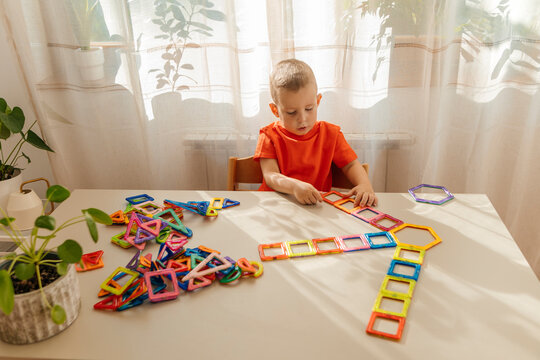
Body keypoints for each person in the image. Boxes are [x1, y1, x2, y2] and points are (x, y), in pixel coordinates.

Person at [253, 58, 378, 207]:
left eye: (309, 109)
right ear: (275, 110)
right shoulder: (268, 135)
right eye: (292, 112)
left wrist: (365, 185)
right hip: (275, 207)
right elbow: (270, 175)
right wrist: (294, 187)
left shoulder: (331, 134)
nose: (302, 119)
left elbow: (350, 165)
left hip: (314, 209)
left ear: (318, 101)